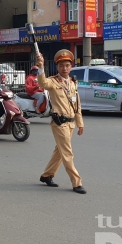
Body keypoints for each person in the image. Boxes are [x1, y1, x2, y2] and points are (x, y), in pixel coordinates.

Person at [35, 50, 86, 194]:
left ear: (71, 66)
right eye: (61, 65)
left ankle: (46, 175)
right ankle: (77, 182)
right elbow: (42, 83)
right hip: (59, 123)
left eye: (67, 65)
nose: (64, 68)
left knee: (60, 152)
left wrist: (80, 123)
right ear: (57, 67)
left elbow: (77, 105)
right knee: (68, 153)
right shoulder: (52, 81)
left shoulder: (73, 83)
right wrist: (41, 66)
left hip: (70, 123)